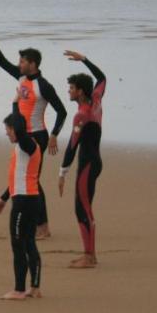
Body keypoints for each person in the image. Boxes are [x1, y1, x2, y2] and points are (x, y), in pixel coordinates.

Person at [0, 29, 66, 238]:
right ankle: (38, 225)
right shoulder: (22, 77)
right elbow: (2, 62)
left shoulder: (44, 86)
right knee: (30, 180)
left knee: (33, 181)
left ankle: (43, 227)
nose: (19, 64)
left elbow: (62, 110)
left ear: (32, 63)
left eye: (22, 61)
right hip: (22, 136)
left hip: (37, 136)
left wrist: (54, 134)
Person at [59, 51, 107, 269]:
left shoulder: (82, 114)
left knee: (83, 209)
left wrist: (62, 173)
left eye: (71, 88)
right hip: (94, 162)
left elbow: (72, 145)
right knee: (85, 208)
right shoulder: (96, 99)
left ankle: (89, 257)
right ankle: (90, 255)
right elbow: (102, 78)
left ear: (79, 92)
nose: (69, 91)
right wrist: (85, 60)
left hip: (87, 165)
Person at [0, 113, 42, 301]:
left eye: (8, 130)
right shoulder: (22, 146)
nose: (6, 134)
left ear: (15, 129)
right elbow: (17, 176)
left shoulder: (27, 144)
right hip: (28, 198)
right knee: (29, 242)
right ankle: (35, 287)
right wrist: (4, 198)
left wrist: (17, 124)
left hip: (24, 202)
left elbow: (22, 136)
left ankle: (19, 289)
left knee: (18, 244)